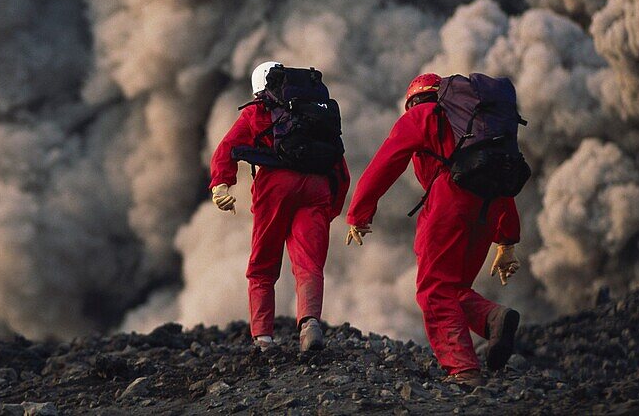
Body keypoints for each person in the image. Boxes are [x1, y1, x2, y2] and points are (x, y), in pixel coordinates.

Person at [345, 73, 522, 387]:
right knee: (453, 289)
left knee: (434, 290)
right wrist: (506, 240)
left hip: (448, 203)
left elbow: (386, 162)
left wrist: (359, 212)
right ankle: (492, 317)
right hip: (488, 208)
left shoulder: (422, 115)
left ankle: (463, 370)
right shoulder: (475, 127)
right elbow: (498, 180)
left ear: (413, 100)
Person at [209, 61, 351, 353]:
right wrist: (330, 211)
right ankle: (309, 323)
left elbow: (227, 149)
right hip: (317, 187)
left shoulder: (257, 112)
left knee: (262, 266)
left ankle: (263, 338)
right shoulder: (315, 114)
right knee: (309, 263)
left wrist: (220, 185)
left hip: (275, 186)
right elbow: (341, 169)